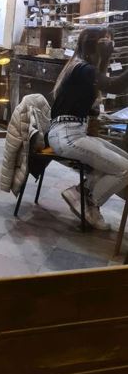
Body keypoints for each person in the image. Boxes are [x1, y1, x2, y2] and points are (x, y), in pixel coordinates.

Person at [48, 27, 128, 230]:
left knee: (121, 162)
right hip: (68, 135)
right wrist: (106, 57)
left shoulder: (80, 66)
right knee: (124, 169)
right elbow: (114, 86)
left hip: (70, 132)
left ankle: (82, 195)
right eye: (107, 43)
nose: (111, 46)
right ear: (95, 46)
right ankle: (88, 201)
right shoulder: (84, 69)